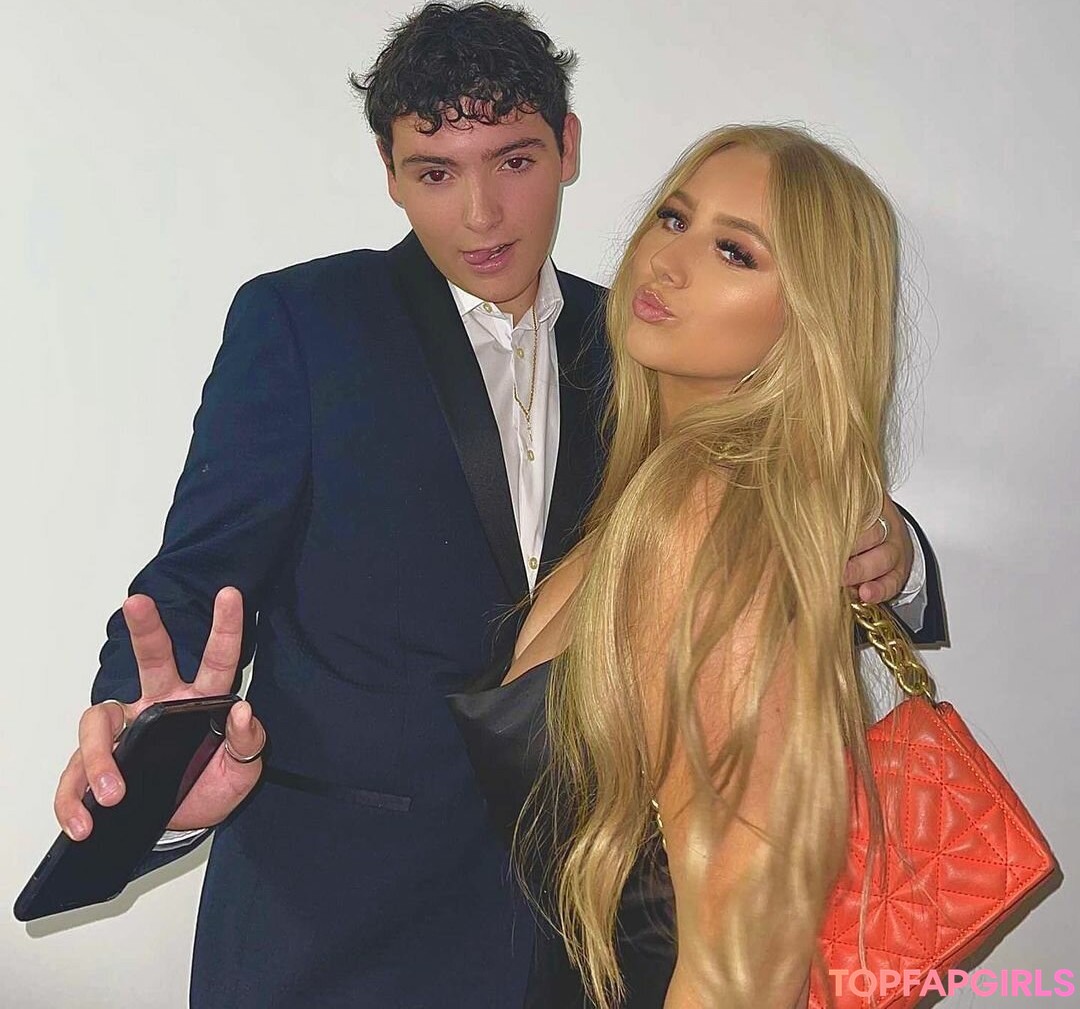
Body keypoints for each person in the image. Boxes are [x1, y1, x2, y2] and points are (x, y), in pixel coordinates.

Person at [48, 5, 943, 1007]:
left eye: (513, 161)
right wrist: (150, 756)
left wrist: (892, 551)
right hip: (332, 928)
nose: (481, 215)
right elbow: (194, 584)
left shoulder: (647, 342)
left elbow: (732, 604)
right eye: (436, 173)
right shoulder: (305, 324)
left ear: (568, 147)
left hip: (579, 940)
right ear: (390, 173)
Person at [451, 123, 938, 1009]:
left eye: (733, 251)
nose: (667, 262)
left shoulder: (713, 517)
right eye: (674, 218)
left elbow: (744, 957)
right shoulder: (649, 487)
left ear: (811, 319)